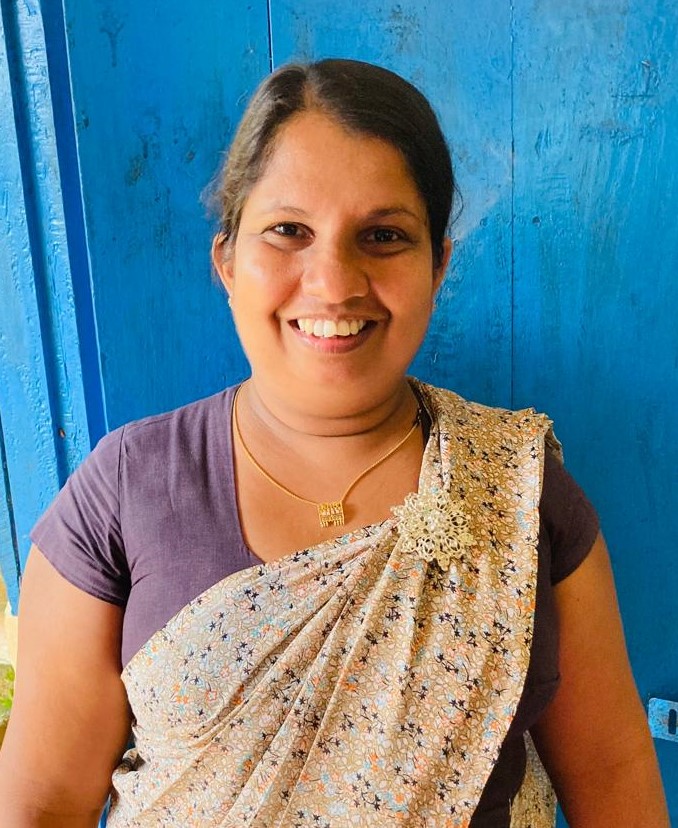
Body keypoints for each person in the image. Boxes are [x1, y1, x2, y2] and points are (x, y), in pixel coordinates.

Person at [0, 59, 668, 828]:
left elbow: (612, 775)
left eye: (383, 236)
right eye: (289, 231)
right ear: (227, 260)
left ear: (438, 265)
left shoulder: (516, 487)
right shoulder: (124, 490)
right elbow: (44, 802)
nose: (334, 282)